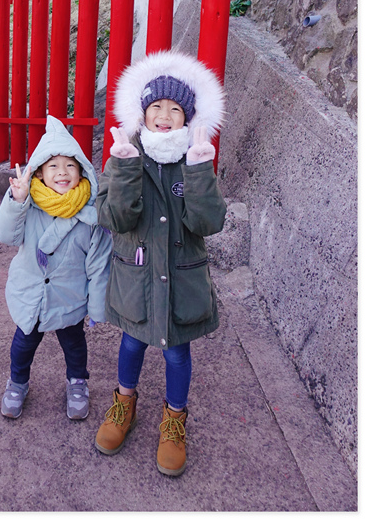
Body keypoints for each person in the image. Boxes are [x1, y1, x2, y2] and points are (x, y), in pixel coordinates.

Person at [94, 50, 226, 477]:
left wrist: (201, 169)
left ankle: (174, 419)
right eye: (156, 107)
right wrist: (126, 166)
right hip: (137, 277)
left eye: (175, 109)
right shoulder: (125, 153)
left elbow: (207, 222)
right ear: (143, 113)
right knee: (131, 342)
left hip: (182, 281)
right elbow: (116, 218)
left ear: (187, 118)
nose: (165, 116)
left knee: (177, 354)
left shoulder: (195, 158)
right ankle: (123, 404)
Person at [0, 116, 112, 421]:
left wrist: (97, 307)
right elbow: (6, 235)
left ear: (82, 171)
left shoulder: (90, 217)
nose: (62, 172)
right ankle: (17, 383)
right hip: (31, 294)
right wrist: (15, 202)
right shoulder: (28, 206)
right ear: (40, 173)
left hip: (69, 297)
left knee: (74, 344)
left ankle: (77, 382)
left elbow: (98, 265)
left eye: (70, 165)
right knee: (23, 344)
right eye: (53, 166)